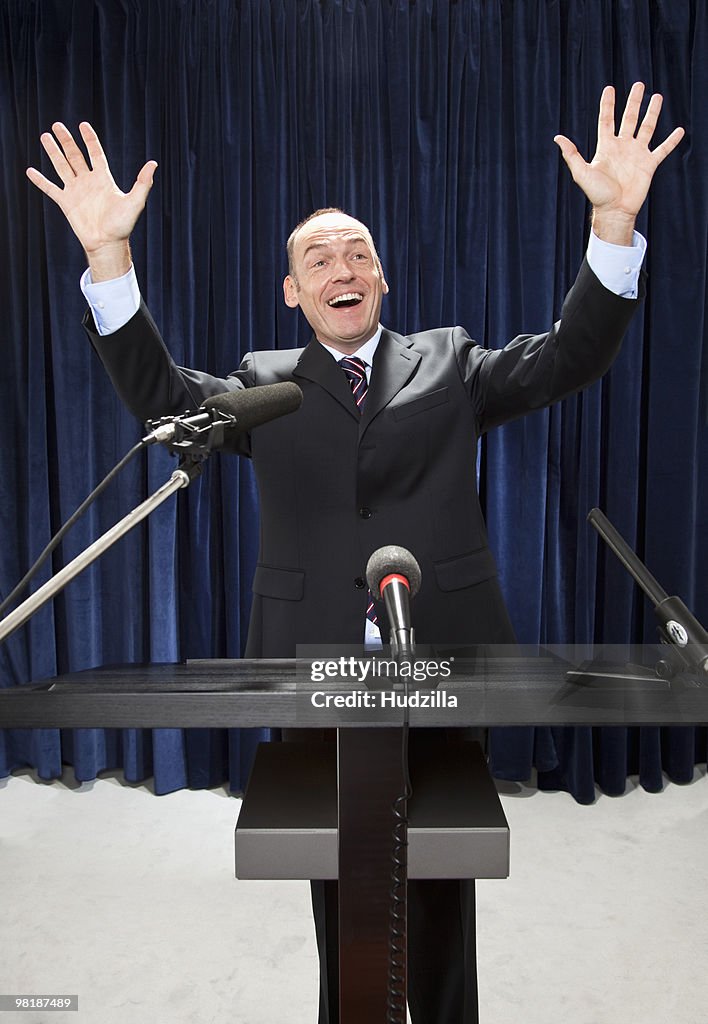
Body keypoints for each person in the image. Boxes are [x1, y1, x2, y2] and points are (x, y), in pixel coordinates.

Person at [27, 83, 683, 1023]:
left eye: (359, 253)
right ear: (294, 291)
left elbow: (569, 356)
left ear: (382, 280)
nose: (343, 266)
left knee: (442, 873)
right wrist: (106, 255)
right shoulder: (262, 384)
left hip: (447, 651)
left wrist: (615, 222)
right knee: (339, 877)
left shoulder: (451, 361)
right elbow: (156, 392)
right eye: (318, 256)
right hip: (310, 661)